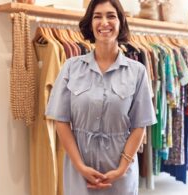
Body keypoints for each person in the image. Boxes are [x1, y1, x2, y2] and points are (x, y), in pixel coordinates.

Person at [45, 0, 156, 194]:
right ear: (90, 23)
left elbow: (140, 125)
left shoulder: (137, 71)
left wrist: (121, 169)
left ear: (120, 22)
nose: (104, 22)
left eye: (111, 16)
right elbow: (61, 121)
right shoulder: (71, 67)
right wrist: (80, 167)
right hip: (79, 171)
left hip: (120, 172)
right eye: (97, 16)